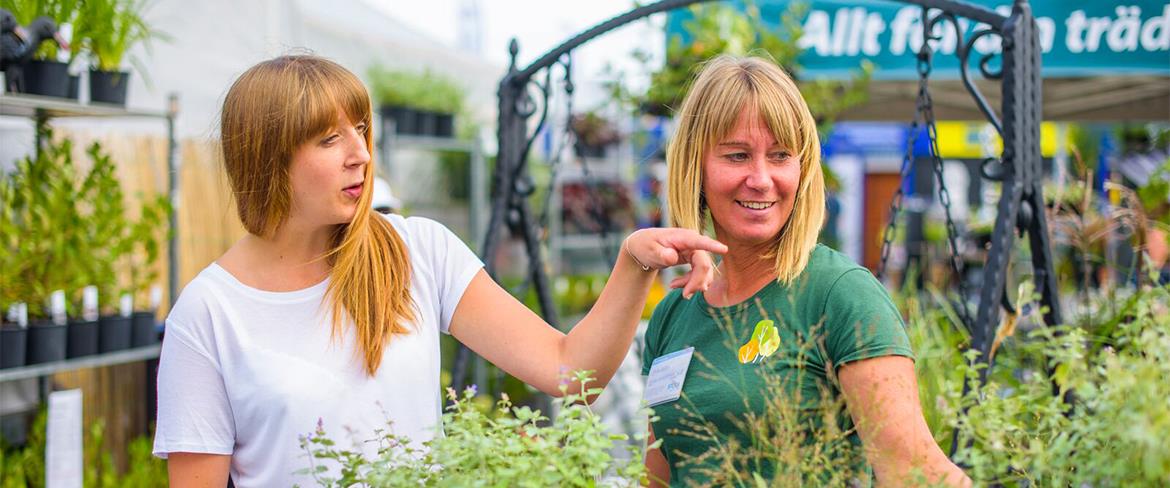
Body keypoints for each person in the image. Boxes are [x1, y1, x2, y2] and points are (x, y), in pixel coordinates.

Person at [152, 55, 727, 487]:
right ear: (267, 158)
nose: (360, 153)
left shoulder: (415, 252)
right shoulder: (208, 315)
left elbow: (572, 371)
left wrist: (632, 264)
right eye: (330, 139)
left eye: (361, 129)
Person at [641, 55, 970, 487]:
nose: (761, 179)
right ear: (695, 167)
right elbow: (657, 479)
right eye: (737, 156)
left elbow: (916, 473)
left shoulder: (838, 294)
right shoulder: (673, 315)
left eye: (780, 156)